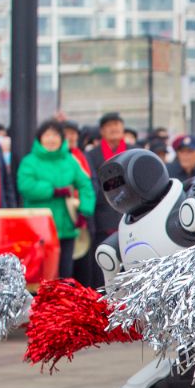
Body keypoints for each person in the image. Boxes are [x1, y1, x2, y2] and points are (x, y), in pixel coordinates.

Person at [17, 119, 95, 281]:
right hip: (39, 230)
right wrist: (52, 191)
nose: (51, 139)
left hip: (66, 228)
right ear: (40, 138)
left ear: (61, 139)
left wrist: (84, 211)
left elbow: (85, 185)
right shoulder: (30, 161)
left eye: (55, 135)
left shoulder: (70, 161)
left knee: (65, 275)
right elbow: (25, 186)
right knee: (41, 276)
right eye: (47, 135)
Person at [83, 112, 127, 287]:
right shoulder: (92, 155)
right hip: (103, 218)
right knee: (103, 267)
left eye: (117, 124)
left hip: (130, 215)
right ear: (102, 131)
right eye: (109, 125)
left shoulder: (134, 150)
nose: (114, 128)